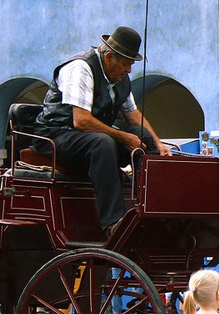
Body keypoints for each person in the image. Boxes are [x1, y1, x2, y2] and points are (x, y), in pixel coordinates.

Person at [32, 26, 172, 238]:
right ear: (109, 57)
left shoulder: (119, 78)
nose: (129, 71)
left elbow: (133, 114)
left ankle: (152, 210)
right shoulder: (80, 68)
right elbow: (80, 120)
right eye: (126, 64)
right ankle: (113, 222)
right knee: (102, 142)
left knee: (143, 137)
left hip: (86, 136)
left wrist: (158, 143)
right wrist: (123, 137)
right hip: (56, 134)